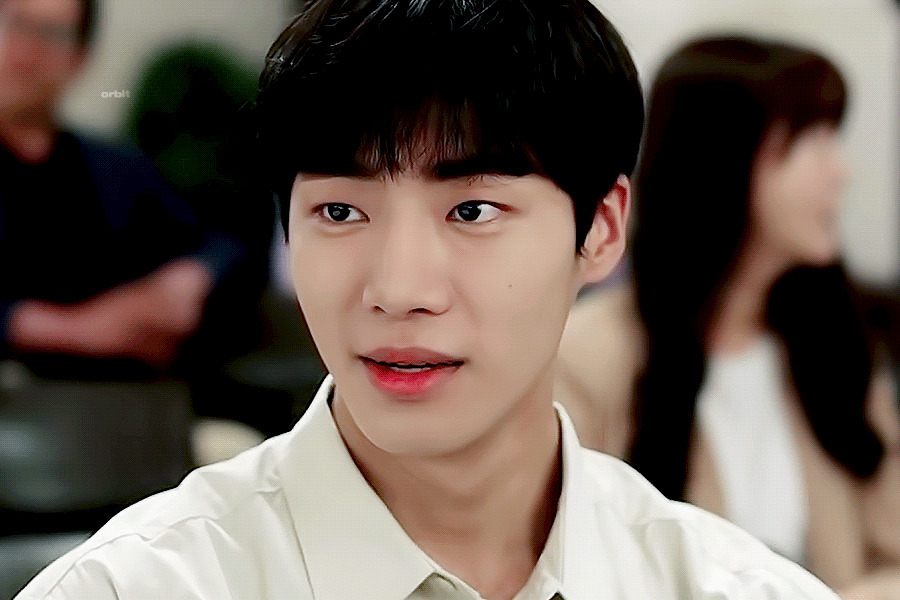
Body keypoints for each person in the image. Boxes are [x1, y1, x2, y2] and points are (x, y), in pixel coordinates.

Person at [17, 5, 842, 599]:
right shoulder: (136, 586)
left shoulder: (734, 588)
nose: (398, 291)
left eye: (472, 210)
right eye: (341, 212)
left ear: (600, 228)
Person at [555, 37, 900, 598]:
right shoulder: (587, 359)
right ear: (724, 158)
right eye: (811, 140)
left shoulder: (839, 347)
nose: (841, 172)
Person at [0, 0, 245, 377]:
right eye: (15, 24)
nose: (25, 53)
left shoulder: (115, 171)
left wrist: (189, 279)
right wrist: (70, 329)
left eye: (50, 34)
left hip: (122, 393)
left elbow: (218, 245)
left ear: (79, 57)